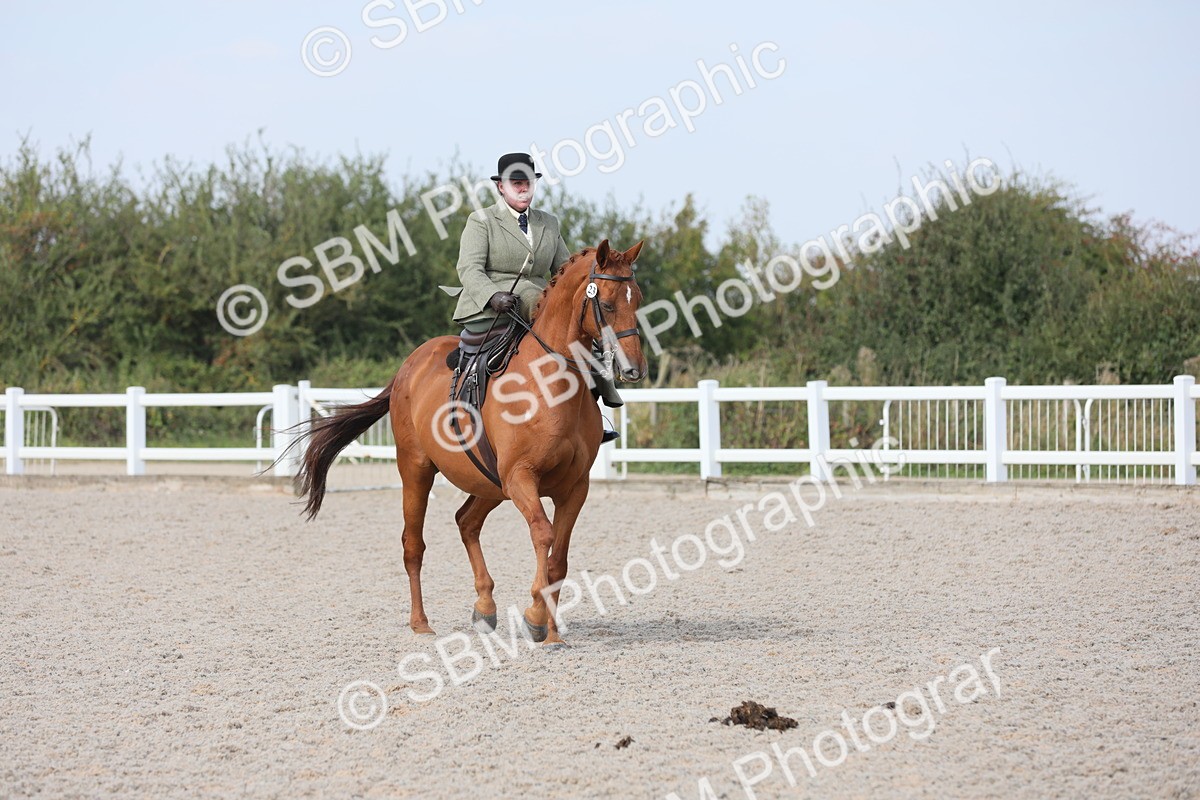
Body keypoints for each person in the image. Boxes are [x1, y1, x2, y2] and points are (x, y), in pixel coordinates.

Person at [441, 152, 623, 438]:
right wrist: (493, 296)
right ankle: (470, 410)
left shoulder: (548, 222)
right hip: (495, 302)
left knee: (582, 336)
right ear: (501, 187)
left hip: (540, 298)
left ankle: (591, 420)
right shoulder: (481, 221)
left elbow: (565, 269)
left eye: (528, 182)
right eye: (516, 183)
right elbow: (469, 269)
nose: (523, 188)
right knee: (540, 306)